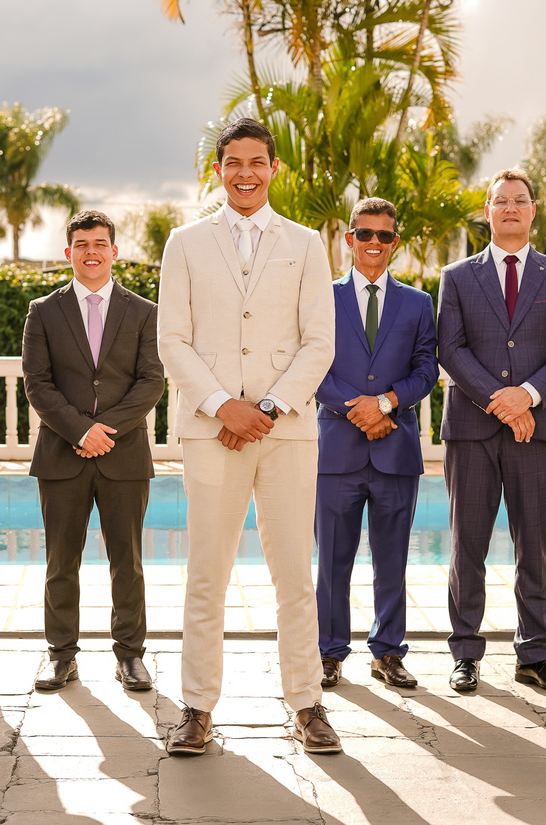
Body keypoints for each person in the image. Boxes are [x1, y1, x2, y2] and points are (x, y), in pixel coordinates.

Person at [157, 118, 339, 755]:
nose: (245, 174)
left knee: (294, 576)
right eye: (233, 163)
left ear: (273, 168)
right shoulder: (183, 243)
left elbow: (320, 342)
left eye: (256, 162)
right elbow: (172, 340)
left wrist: (264, 407)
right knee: (206, 574)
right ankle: (197, 708)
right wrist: (221, 407)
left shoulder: (305, 244)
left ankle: (307, 704)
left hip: (286, 433)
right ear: (218, 169)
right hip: (211, 434)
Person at [436, 168, 546, 693]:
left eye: (519, 200)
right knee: (467, 547)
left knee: (534, 548)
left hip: (537, 430)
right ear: (487, 211)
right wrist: (500, 400)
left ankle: (535, 656)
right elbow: (450, 348)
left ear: (533, 210)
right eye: (500, 201)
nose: (510, 209)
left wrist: (529, 395)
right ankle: (465, 653)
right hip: (471, 432)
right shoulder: (456, 276)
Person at [22, 210, 165, 692]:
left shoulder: (144, 311)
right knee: (61, 564)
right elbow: (37, 383)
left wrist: (106, 431)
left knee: (128, 563)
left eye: (100, 243)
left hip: (125, 457)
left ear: (114, 251)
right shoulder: (43, 310)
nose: (91, 252)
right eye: (81, 244)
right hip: (62, 455)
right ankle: (61, 656)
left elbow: (151, 381)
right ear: (69, 252)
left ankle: (130, 656)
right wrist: (81, 432)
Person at [314, 197, 439, 690]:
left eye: (384, 235)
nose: (374, 243)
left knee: (392, 562)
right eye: (364, 233)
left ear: (395, 242)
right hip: (336, 452)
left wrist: (384, 404)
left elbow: (426, 369)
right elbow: (312, 366)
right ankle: (328, 653)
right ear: (350, 239)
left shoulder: (418, 303)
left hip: (395, 450)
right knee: (332, 563)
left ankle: (388, 652)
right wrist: (359, 410)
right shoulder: (321, 297)